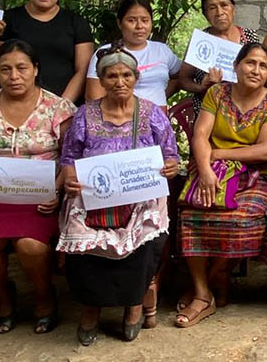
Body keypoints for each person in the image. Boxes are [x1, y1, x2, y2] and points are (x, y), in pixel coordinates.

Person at [57, 47, 179, 345]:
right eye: (111, 76)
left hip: (139, 197)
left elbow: (170, 154)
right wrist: (70, 177)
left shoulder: (151, 113)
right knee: (81, 239)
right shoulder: (85, 115)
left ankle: (134, 303)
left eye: (126, 75)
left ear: (136, 78)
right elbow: (69, 157)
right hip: (94, 197)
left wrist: (170, 166)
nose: (120, 82)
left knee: (147, 233)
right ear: (101, 80)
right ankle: (91, 307)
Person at [0, 40, 75, 334]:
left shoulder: (58, 108)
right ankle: (3, 297)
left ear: (35, 69)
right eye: (5, 69)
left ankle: (44, 297)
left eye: (21, 68)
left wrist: (58, 190)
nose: (14, 76)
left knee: (30, 245)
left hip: (42, 196)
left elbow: (70, 157)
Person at [175, 43, 267, 327]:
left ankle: (214, 278)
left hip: (256, 175)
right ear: (236, 66)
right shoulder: (217, 93)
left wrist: (219, 153)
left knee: (243, 219)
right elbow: (200, 134)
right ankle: (203, 294)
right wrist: (205, 170)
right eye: (250, 63)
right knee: (191, 213)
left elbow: (265, 150)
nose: (256, 70)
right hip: (212, 170)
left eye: (263, 66)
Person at [0, 0, 95, 101]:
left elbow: (83, 70)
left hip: (67, 103)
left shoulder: (76, 22)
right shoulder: (8, 19)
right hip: (18, 102)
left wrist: (62, 105)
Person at [177, 0, 260, 113]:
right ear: (205, 14)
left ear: (233, 8)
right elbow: (183, 80)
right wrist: (202, 87)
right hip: (208, 111)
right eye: (212, 8)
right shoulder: (200, 41)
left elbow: (262, 72)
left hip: (246, 109)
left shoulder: (249, 37)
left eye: (224, 5)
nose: (219, 12)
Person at [86, 0, 181, 106]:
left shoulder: (162, 51)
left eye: (145, 20)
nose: (139, 26)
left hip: (158, 116)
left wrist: (159, 99)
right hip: (117, 116)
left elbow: (181, 78)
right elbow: (94, 98)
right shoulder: (105, 54)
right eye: (131, 20)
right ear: (119, 23)